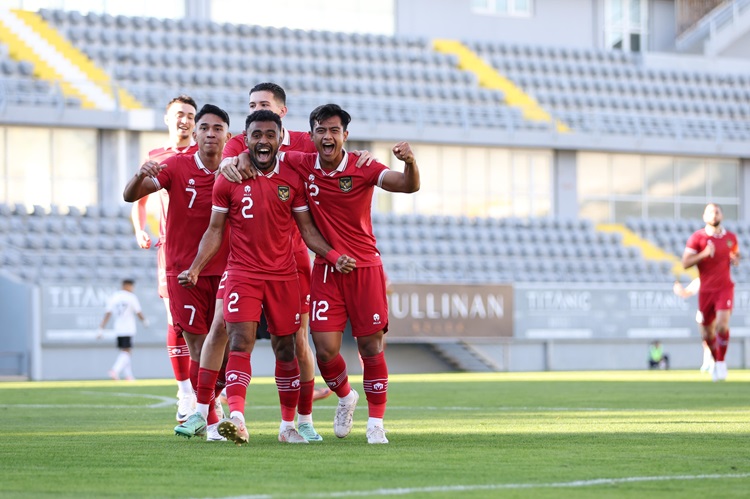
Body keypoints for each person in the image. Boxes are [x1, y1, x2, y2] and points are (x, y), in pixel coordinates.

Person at [222, 103, 419, 444]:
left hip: (365, 267)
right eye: (321, 131)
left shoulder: (364, 165)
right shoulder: (300, 162)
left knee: (371, 347)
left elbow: (406, 186)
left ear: (345, 135)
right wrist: (234, 159)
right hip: (327, 268)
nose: (327, 136)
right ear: (311, 137)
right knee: (324, 349)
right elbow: (259, 150)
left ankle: (376, 424)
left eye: (334, 130)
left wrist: (410, 162)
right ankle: (346, 395)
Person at [176, 110, 356, 445]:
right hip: (243, 272)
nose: (263, 141)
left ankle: (291, 425)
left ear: (279, 137)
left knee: (287, 347)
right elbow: (214, 231)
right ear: (245, 139)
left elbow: (307, 230)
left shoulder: (292, 176)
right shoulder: (228, 177)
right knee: (238, 340)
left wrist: (331, 255)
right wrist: (197, 267)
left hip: (284, 275)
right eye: (256, 135)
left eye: (269, 135)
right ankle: (235, 418)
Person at [123, 104, 232, 439]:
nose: (210, 134)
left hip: (228, 268)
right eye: (205, 128)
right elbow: (130, 196)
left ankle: (210, 403)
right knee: (198, 344)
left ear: (228, 135)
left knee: (225, 351)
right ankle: (209, 418)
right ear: (195, 133)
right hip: (183, 270)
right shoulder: (174, 166)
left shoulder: (235, 169)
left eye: (218, 128)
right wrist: (141, 174)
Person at [130, 95, 198, 421]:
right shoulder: (156, 157)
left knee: (213, 322)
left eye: (189, 115)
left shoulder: (207, 155)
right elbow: (139, 199)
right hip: (170, 250)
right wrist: (140, 230)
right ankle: (185, 390)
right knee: (176, 321)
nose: (184, 119)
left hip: (208, 249)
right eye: (179, 114)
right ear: (167, 119)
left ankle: (209, 388)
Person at [681, 203, 740, 382]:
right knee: (707, 333)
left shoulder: (731, 238)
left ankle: (721, 363)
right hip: (706, 290)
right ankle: (715, 360)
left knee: (722, 324)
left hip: (725, 288)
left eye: (717, 212)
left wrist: (736, 259)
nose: (714, 215)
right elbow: (685, 263)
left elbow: (735, 256)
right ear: (704, 216)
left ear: (721, 215)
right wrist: (704, 254)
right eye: (711, 212)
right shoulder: (697, 238)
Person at [97, 279, 148, 381]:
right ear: (126, 285)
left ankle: (128, 375)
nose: (132, 288)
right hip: (128, 328)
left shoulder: (114, 297)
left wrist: (101, 328)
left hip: (118, 328)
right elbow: (138, 312)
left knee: (125, 351)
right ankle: (115, 370)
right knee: (127, 351)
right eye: (131, 286)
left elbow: (108, 313)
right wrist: (144, 321)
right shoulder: (131, 297)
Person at [673, 278, 714, 372]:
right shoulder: (699, 281)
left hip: (714, 310)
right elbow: (685, 293)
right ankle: (707, 362)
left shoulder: (716, 278)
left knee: (712, 336)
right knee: (705, 339)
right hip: (703, 311)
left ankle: (714, 362)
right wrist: (679, 290)